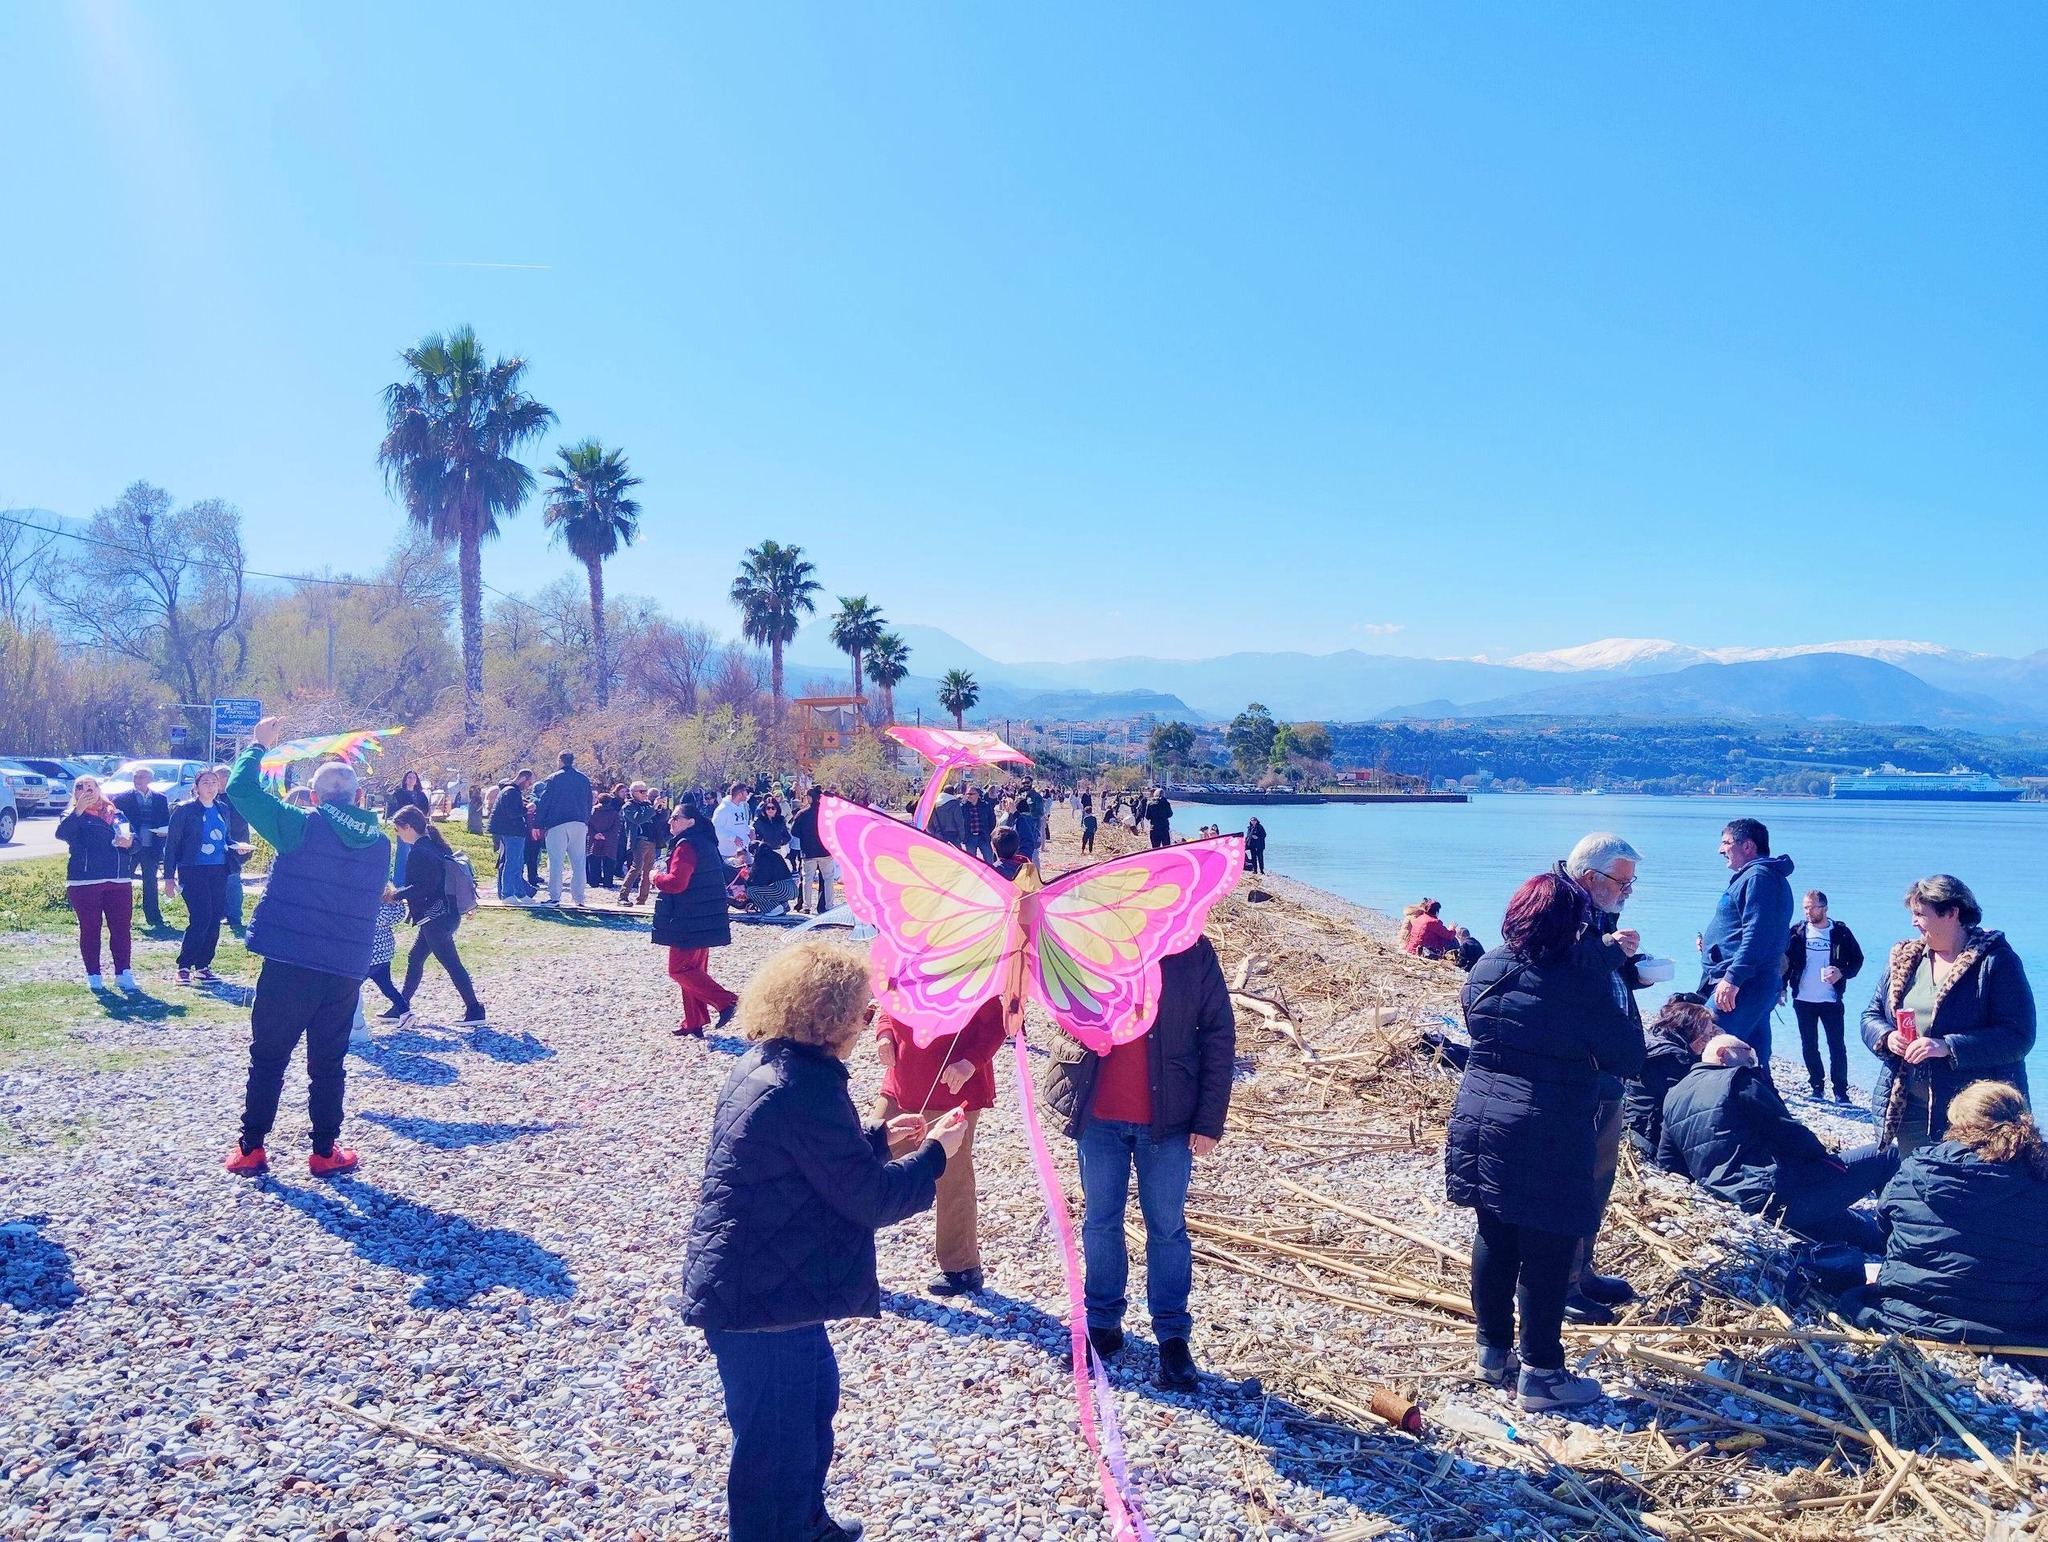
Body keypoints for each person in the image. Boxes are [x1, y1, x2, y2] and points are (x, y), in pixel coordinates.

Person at [681, 940, 967, 1542]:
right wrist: (937, 1155)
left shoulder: (773, 1063)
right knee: (773, 1448)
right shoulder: (802, 1086)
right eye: (865, 1012)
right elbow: (867, 1198)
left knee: (811, 1412)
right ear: (831, 1017)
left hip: (774, 1282)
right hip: (759, 1297)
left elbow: (815, 1163)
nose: (869, 1024)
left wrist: (879, 1141)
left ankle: (806, 1524)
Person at [1444, 872, 1643, 1411]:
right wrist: (1612, 975)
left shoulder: (1488, 965)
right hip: (1549, 1122)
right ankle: (1543, 1373)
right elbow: (1627, 1054)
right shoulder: (1581, 981)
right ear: (1573, 924)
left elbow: (1489, 1022)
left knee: (1495, 1231)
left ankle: (1491, 1353)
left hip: (1480, 1113)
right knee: (1548, 1248)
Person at [1041, 936, 1235, 1392]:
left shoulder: (1194, 951)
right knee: (1100, 1221)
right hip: (1099, 1114)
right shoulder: (1091, 939)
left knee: (1166, 1227)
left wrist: (1209, 1120)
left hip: (1168, 1120)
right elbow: (1060, 1006)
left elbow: (1219, 1034)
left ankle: (1172, 1337)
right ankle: (1103, 1324)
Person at [225, 720, 391, 1178]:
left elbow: (240, 790)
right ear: (359, 798)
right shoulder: (380, 844)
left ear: (314, 798)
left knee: (269, 1058)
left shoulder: (299, 827)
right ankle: (323, 1151)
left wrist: (258, 745)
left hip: (289, 964)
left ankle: (252, 1148)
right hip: (343, 969)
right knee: (329, 1062)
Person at [1839, 1082, 2048, 1347]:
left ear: (1958, 1123)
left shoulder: (1916, 1167)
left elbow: (1886, 1230)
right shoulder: (2040, 1177)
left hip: (1908, 1312)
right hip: (2013, 1324)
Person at [1659, 1035, 1897, 1252]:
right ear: (1722, 1054)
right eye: (1749, 1054)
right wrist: (1823, 1161)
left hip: (1733, 1203)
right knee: (1888, 1156)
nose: (1754, 1061)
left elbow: (1668, 1163)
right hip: (1774, 1196)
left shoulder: (1673, 1096)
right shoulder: (1737, 1079)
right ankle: (1905, 1233)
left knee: (1854, 1227)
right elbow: (1790, 1133)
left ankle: (1890, 1245)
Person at [1862, 875, 2036, 1156]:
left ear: (1952, 913)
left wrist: (1947, 1047)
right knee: (1915, 1183)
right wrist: (1887, 1036)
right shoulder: (1905, 958)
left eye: (1920, 914)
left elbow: (2019, 1037)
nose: (1913, 922)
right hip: (1909, 1104)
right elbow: (1870, 1015)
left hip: (1973, 1112)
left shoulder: (1996, 962)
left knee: (1963, 1189)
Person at [875, 997, 1008, 1295]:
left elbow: (998, 1021)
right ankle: (843, 1251)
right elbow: (889, 1002)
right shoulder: (905, 956)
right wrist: (884, 1035)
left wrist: (971, 1062)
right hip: (901, 1082)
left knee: (952, 1179)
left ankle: (962, 1267)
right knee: (866, 1160)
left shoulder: (975, 963)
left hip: (954, 1087)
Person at [1699, 818, 1796, 1066]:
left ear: (1748, 846)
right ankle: (1763, 1103)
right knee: (1754, 1060)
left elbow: (1758, 933)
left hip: (1745, 985)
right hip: (1756, 983)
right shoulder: (1761, 877)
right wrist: (1714, 946)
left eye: (1726, 843)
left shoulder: (1758, 878)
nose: (1721, 850)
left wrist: (1733, 978)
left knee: (1708, 1047)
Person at [389, 807, 486, 1026]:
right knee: (415, 958)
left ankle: (475, 1009)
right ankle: (400, 1007)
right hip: (445, 915)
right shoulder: (436, 845)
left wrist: (395, 895)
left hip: (435, 919)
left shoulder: (419, 852)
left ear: (409, 827)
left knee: (452, 963)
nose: (397, 834)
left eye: (397, 829)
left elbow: (422, 887)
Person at [652, 800, 738, 1036]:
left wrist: (655, 877)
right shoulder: (706, 842)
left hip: (689, 917)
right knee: (693, 970)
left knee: (679, 970)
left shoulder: (687, 845)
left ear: (690, 822)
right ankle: (694, 1022)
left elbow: (677, 883)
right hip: (704, 916)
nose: (670, 821)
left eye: (675, 817)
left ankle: (727, 1001)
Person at [163, 769, 248, 985]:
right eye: (206, 782)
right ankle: (184, 967)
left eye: (214, 782)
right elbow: (172, 844)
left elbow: (225, 838)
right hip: (193, 869)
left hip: (219, 869)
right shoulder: (185, 810)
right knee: (201, 916)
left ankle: (203, 966)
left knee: (215, 917)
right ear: (196, 787)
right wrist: (169, 878)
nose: (211, 786)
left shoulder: (223, 809)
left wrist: (236, 847)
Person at [56, 775, 138, 993]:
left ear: (100, 789)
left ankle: (124, 973)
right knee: (91, 928)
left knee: (121, 928)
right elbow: (63, 833)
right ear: (74, 793)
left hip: (119, 878)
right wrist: (79, 810)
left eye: (91, 787)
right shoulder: (71, 815)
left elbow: (134, 842)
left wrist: (130, 842)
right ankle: (93, 974)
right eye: (81, 788)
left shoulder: (116, 813)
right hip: (85, 880)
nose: (87, 791)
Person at [1783, 890, 1865, 1102]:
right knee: (1809, 1045)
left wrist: (1841, 973)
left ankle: (1840, 1091)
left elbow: (1857, 961)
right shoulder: (1798, 932)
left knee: (1837, 1046)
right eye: (1805, 908)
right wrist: (1781, 987)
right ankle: (1817, 1086)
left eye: (1812, 907)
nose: (1808, 912)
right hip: (1803, 999)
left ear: (1825, 908)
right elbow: (1786, 963)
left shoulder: (1840, 933)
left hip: (1831, 1000)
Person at [1622, 995, 1716, 1158]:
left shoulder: (1652, 1042)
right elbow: (1681, 1110)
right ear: (1689, 1030)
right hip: (1645, 1137)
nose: (1708, 1041)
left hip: (1628, 1123)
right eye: (1706, 1035)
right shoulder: (1674, 1059)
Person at [111, 766, 171, 930]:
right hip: (130, 847)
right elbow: (117, 823)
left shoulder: (160, 798)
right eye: (136, 777)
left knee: (150, 882)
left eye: (142, 777)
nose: (138, 780)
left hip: (150, 846)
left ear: (150, 779)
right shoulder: (122, 799)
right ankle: (121, 916)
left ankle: (153, 916)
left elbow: (165, 821)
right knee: (124, 882)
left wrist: (164, 833)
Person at [535, 751, 593, 906]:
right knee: (579, 862)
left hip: (557, 824)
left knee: (555, 862)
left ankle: (555, 897)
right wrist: (586, 820)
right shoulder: (583, 779)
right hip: (579, 823)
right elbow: (589, 801)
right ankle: (579, 898)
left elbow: (545, 802)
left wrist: (538, 824)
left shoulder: (554, 778)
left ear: (560, 760)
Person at [488, 769, 536, 901]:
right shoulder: (511, 792)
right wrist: (527, 808)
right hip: (512, 832)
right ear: (523, 779)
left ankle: (520, 893)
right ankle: (507, 894)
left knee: (518, 864)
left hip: (515, 832)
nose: (529, 786)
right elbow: (512, 813)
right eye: (529, 783)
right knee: (512, 863)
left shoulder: (512, 791)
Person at [616, 782, 662, 907]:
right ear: (633, 793)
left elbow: (660, 820)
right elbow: (638, 819)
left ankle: (642, 899)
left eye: (645, 791)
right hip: (639, 840)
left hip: (652, 840)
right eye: (641, 792)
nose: (645, 794)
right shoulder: (628, 806)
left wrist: (662, 808)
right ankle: (623, 896)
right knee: (636, 868)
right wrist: (652, 809)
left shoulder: (647, 805)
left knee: (648, 870)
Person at [790, 785, 836, 912]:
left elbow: (794, 832)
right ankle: (829, 905)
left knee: (807, 880)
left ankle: (806, 906)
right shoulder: (828, 813)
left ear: (810, 797)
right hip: (825, 851)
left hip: (808, 851)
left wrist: (806, 836)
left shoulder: (802, 814)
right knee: (828, 879)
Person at [385, 771, 432, 883]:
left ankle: (413, 880)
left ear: (417, 780)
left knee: (417, 854)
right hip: (403, 828)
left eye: (414, 777)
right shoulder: (399, 794)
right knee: (402, 854)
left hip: (417, 829)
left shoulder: (421, 796)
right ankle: (399, 882)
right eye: (409, 777)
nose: (411, 779)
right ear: (405, 779)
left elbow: (425, 811)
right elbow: (394, 810)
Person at [586, 783, 625, 889]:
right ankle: (608, 881)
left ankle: (594, 881)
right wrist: (606, 835)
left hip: (594, 840)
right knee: (609, 862)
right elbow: (617, 827)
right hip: (610, 841)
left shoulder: (592, 811)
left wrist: (595, 834)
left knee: (594, 861)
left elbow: (587, 824)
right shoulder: (614, 813)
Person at [713, 781, 754, 866]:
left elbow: (741, 824)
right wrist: (733, 837)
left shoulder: (742, 806)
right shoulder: (723, 809)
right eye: (746, 792)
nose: (747, 794)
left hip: (742, 850)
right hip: (727, 853)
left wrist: (750, 830)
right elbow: (716, 828)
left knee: (750, 872)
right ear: (740, 794)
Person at [1012, 774, 1045, 863]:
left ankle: (1036, 875)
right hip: (1019, 828)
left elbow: (1040, 812)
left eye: (1027, 782)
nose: (1025, 784)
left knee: (1033, 855)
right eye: (1023, 783)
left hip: (1032, 828)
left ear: (1031, 783)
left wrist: (1027, 816)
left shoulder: (1036, 796)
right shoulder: (1019, 795)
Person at [960, 784, 997, 865]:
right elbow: (960, 823)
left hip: (983, 836)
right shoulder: (963, 807)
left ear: (978, 794)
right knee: (972, 862)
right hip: (969, 838)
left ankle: (991, 876)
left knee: (989, 860)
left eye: (971, 794)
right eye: (967, 794)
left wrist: (988, 832)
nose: (969, 796)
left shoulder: (986, 806)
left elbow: (992, 820)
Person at [929, 782, 969, 849]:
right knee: (956, 857)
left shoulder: (935, 804)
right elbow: (959, 821)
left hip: (939, 834)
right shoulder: (955, 804)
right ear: (953, 792)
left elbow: (931, 821)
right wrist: (962, 836)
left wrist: (935, 833)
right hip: (953, 836)